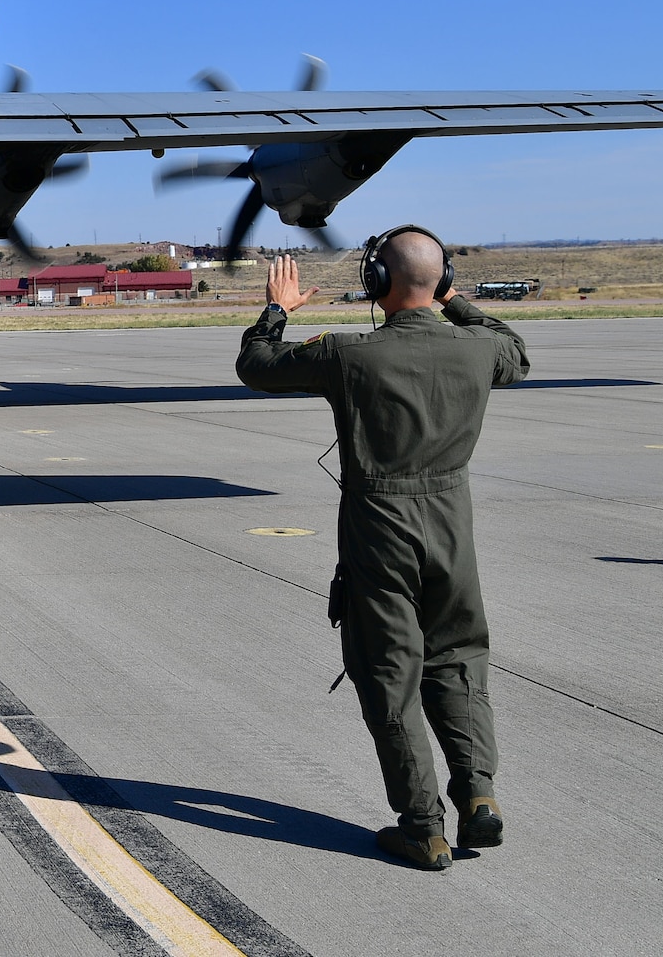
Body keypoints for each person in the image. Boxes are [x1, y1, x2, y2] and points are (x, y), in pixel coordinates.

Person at [236, 228, 529, 871]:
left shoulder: (349, 354)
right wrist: (455, 301)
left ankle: (423, 827)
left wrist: (277, 309)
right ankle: (478, 792)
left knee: (389, 671)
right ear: (442, 278)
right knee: (457, 658)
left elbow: (256, 365)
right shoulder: (481, 352)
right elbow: (516, 350)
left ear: (376, 285)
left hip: (380, 527)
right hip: (453, 526)